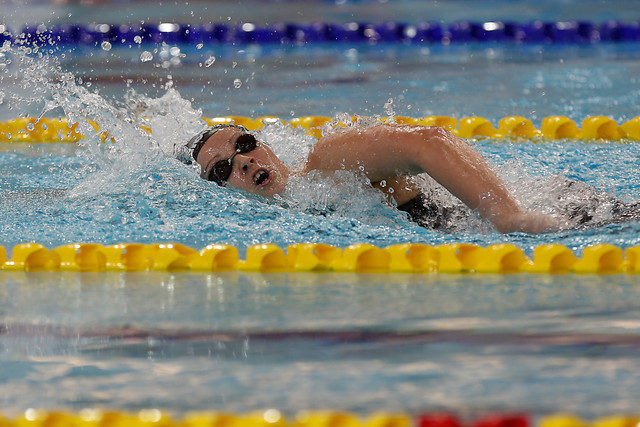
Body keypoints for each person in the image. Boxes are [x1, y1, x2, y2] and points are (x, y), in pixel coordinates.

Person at [177, 122, 560, 234]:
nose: (243, 161)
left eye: (244, 143)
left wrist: (507, 217)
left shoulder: (329, 164)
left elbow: (428, 142)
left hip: (557, 216)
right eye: (222, 170)